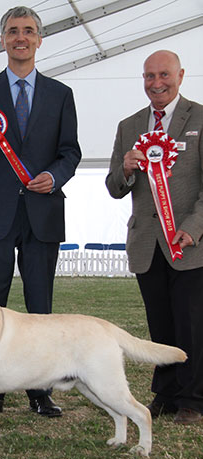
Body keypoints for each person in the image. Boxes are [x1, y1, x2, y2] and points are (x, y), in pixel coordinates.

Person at [0, 6, 81, 417]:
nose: (20, 37)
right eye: (13, 31)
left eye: (28, 31)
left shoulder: (61, 94)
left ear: (39, 39)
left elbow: (70, 152)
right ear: (3, 39)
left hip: (42, 211)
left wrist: (55, 176)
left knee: (40, 305)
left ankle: (39, 389)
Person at [106, 50, 203, 425]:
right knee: (159, 323)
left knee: (191, 323)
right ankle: (166, 392)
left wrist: (193, 228)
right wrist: (126, 169)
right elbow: (114, 186)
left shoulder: (198, 117)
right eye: (149, 76)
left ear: (181, 74)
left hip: (188, 242)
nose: (156, 83)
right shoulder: (129, 125)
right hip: (147, 242)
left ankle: (193, 399)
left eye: (164, 75)